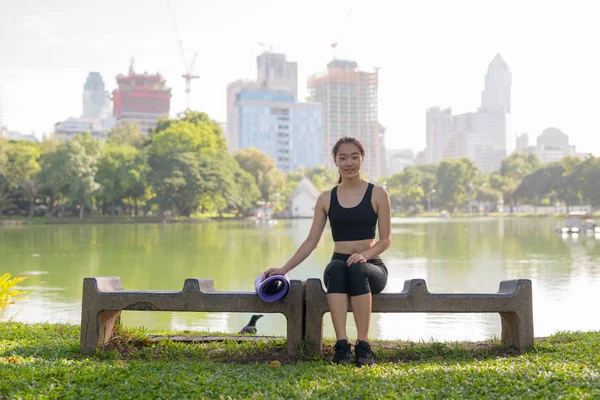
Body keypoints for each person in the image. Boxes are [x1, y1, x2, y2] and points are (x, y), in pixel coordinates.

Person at [262, 136, 392, 366]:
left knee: (357, 268)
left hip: (371, 266)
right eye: (343, 158)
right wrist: (283, 269)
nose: (349, 163)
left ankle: (363, 346)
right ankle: (341, 346)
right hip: (339, 267)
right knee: (337, 268)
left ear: (362, 159)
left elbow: (385, 241)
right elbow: (311, 240)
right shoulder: (326, 198)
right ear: (335, 160)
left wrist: (365, 255)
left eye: (354, 157)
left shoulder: (378, 194)